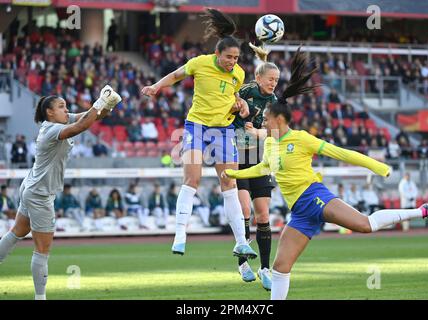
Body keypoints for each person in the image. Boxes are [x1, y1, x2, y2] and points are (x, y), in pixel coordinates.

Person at [222, 47, 428, 300]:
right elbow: (263, 168)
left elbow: (341, 153)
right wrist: (233, 173)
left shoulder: (301, 139)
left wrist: (377, 166)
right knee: (281, 267)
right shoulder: (271, 143)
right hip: (299, 212)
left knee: (365, 225)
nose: (263, 118)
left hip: (313, 196)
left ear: (279, 120)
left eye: (266, 116)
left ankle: (422, 210)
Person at [141, 8, 255, 258]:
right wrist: (156, 87)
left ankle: (240, 242)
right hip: (197, 127)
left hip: (224, 130)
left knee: (229, 183)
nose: (232, 62)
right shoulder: (200, 63)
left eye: (236, 58)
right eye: (228, 57)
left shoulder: (238, 74)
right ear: (217, 53)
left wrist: (241, 104)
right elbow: (175, 75)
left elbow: (233, 95)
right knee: (192, 179)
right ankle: (180, 234)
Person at [0, 86, 121, 300]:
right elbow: (82, 126)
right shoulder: (53, 130)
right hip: (40, 194)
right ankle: (40, 297)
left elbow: (89, 116)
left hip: (32, 186)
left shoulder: (58, 121)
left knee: (17, 232)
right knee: (42, 249)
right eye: (61, 106)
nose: (67, 110)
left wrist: (108, 103)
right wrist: (100, 102)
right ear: (49, 112)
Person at [232, 43, 279, 290]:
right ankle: (243, 263)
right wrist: (239, 106)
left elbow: (277, 132)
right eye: (270, 78)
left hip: (260, 158)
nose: (274, 83)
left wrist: (259, 131)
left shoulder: (274, 102)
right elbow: (230, 97)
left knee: (263, 214)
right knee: (244, 210)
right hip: (238, 156)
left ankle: (264, 268)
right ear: (259, 77)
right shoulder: (247, 90)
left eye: (277, 80)